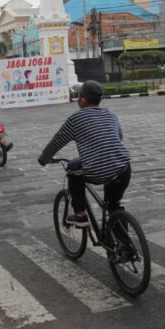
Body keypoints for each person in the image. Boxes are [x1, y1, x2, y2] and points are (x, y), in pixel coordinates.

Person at [37, 80, 132, 228]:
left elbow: (56, 142)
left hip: (97, 170)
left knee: (73, 166)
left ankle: (80, 215)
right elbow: (118, 138)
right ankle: (124, 246)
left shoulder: (75, 118)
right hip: (124, 167)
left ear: (82, 99)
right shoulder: (111, 115)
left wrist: (44, 159)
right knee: (113, 205)